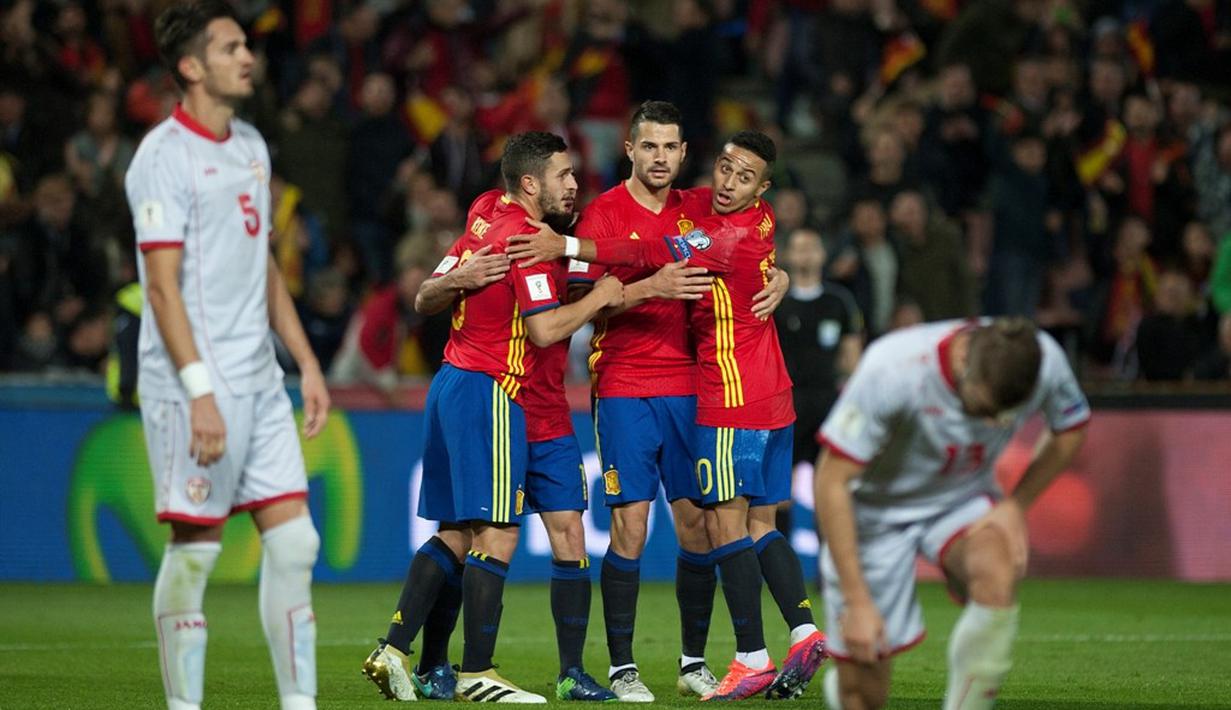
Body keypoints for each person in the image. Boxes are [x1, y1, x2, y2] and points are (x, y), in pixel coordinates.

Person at [510, 130, 827, 702]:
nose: (661, 157)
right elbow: (590, 300)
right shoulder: (606, 212)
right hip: (630, 385)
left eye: (672, 147)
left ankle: (707, 659)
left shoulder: (702, 208)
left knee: (711, 526)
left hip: (708, 394)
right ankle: (626, 667)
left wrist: (776, 276)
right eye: (650, 146)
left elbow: (654, 252)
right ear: (630, 148)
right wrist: (631, 282)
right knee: (641, 526)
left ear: (683, 154)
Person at [361, 131, 624, 704]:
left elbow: (424, 297)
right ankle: (476, 670)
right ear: (530, 184)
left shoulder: (485, 211)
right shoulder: (527, 240)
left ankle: (397, 651)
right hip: (492, 389)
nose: (574, 184)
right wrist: (601, 294)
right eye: (563, 175)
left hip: (452, 381)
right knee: (495, 530)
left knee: (457, 531)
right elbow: (546, 329)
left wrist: (455, 279)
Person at [124, 3, 331, 710]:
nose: (248, 56)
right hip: (191, 386)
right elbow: (160, 287)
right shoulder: (162, 158)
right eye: (231, 47)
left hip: (258, 378)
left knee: (296, 544)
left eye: (247, 45)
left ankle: (298, 705)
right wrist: (199, 392)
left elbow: (262, 263)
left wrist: (303, 360)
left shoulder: (250, 144)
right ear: (191, 67)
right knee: (197, 550)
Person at [814, 318, 1090, 710]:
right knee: (862, 695)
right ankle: (845, 684)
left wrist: (1015, 506)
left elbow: (1071, 427)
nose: (993, 423)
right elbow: (830, 481)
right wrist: (857, 602)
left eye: (1007, 417)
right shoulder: (893, 369)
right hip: (873, 513)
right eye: (984, 408)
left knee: (997, 568)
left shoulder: (1044, 361)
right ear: (964, 364)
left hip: (960, 498)